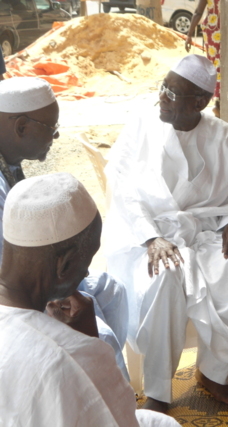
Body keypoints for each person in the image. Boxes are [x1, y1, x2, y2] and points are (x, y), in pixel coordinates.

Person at [104, 54, 228, 412]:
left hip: (206, 233)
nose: (162, 97)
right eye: (163, 88)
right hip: (148, 238)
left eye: (172, 92)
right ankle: (158, 389)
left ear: (200, 102)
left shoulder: (224, 135)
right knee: (165, 274)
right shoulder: (141, 126)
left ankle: (213, 373)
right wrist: (151, 238)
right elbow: (122, 190)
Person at [0, 173, 179, 426]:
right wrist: (87, 342)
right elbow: (118, 419)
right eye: (87, 260)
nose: (86, 272)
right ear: (64, 263)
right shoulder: (72, 355)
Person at [0, 76, 129, 378]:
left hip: (40, 272)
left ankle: (114, 391)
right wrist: (47, 298)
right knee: (101, 338)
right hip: (19, 292)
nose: (55, 138)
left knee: (112, 290)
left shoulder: (10, 159)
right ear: (21, 127)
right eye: (51, 129)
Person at [185, 0, 221, 102]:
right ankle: (218, 98)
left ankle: (217, 98)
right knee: (220, 64)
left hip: (212, 28)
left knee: (215, 64)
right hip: (223, 28)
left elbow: (198, 12)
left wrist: (189, 35)